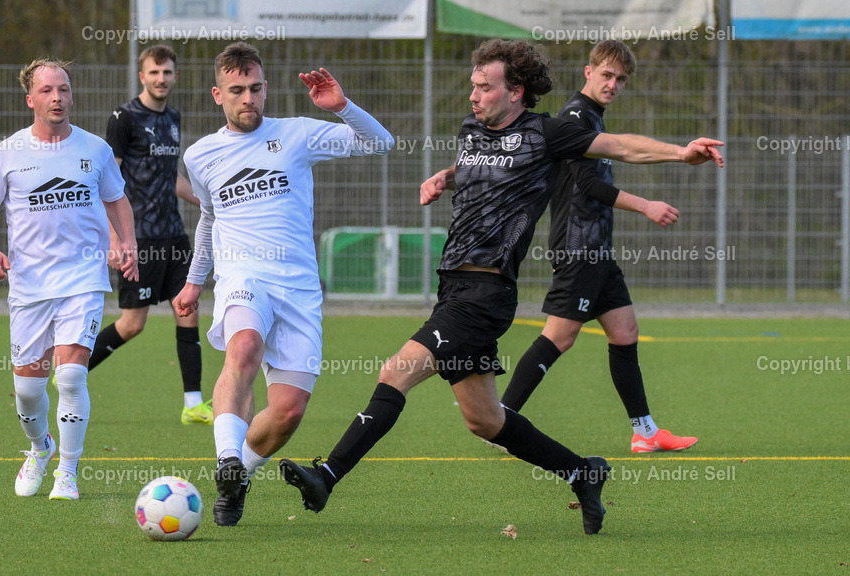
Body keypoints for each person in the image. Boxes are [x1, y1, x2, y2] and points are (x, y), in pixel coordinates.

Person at [279, 38, 723, 535]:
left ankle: (327, 476)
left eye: (485, 87)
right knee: (485, 421)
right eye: (473, 85)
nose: (474, 95)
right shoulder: (473, 129)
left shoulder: (548, 134)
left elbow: (618, 144)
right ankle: (583, 472)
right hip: (455, 289)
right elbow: (478, 167)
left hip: (485, 295)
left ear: (516, 92)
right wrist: (444, 177)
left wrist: (682, 154)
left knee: (395, 371)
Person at [172, 42, 394, 526]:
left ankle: (239, 476)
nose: (247, 98)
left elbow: (381, 144)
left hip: (298, 288)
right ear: (217, 95)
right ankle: (227, 457)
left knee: (288, 411)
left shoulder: (296, 134)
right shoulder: (201, 155)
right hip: (242, 277)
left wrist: (342, 108)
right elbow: (209, 219)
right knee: (244, 346)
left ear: (266, 88)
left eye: (254, 88)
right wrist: (194, 281)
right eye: (236, 90)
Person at [501, 41, 697, 453]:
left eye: (621, 79)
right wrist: (646, 205)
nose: (613, 84)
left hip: (597, 252)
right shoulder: (575, 117)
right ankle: (500, 420)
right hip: (578, 250)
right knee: (559, 337)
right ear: (588, 72)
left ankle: (645, 432)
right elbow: (589, 185)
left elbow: (614, 160)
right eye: (606, 75)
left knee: (625, 333)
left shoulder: (594, 119)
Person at [0, 58, 139, 501]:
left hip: (82, 279)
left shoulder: (95, 149)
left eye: (63, 89)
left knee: (70, 379)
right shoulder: (7, 152)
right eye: (47, 90)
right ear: (31, 99)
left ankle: (68, 471)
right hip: (29, 286)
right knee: (28, 392)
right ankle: (39, 448)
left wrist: (128, 243)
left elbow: (117, 199)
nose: (57, 98)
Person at [87, 45, 212, 426]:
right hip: (137, 240)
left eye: (168, 72)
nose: (161, 79)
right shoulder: (124, 118)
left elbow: (169, 176)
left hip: (174, 237)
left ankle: (193, 404)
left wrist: (208, 202)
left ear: (175, 76)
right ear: (142, 76)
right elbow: (108, 181)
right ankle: (73, 368)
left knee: (186, 311)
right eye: (154, 72)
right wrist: (114, 238)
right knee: (132, 325)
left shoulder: (173, 117)